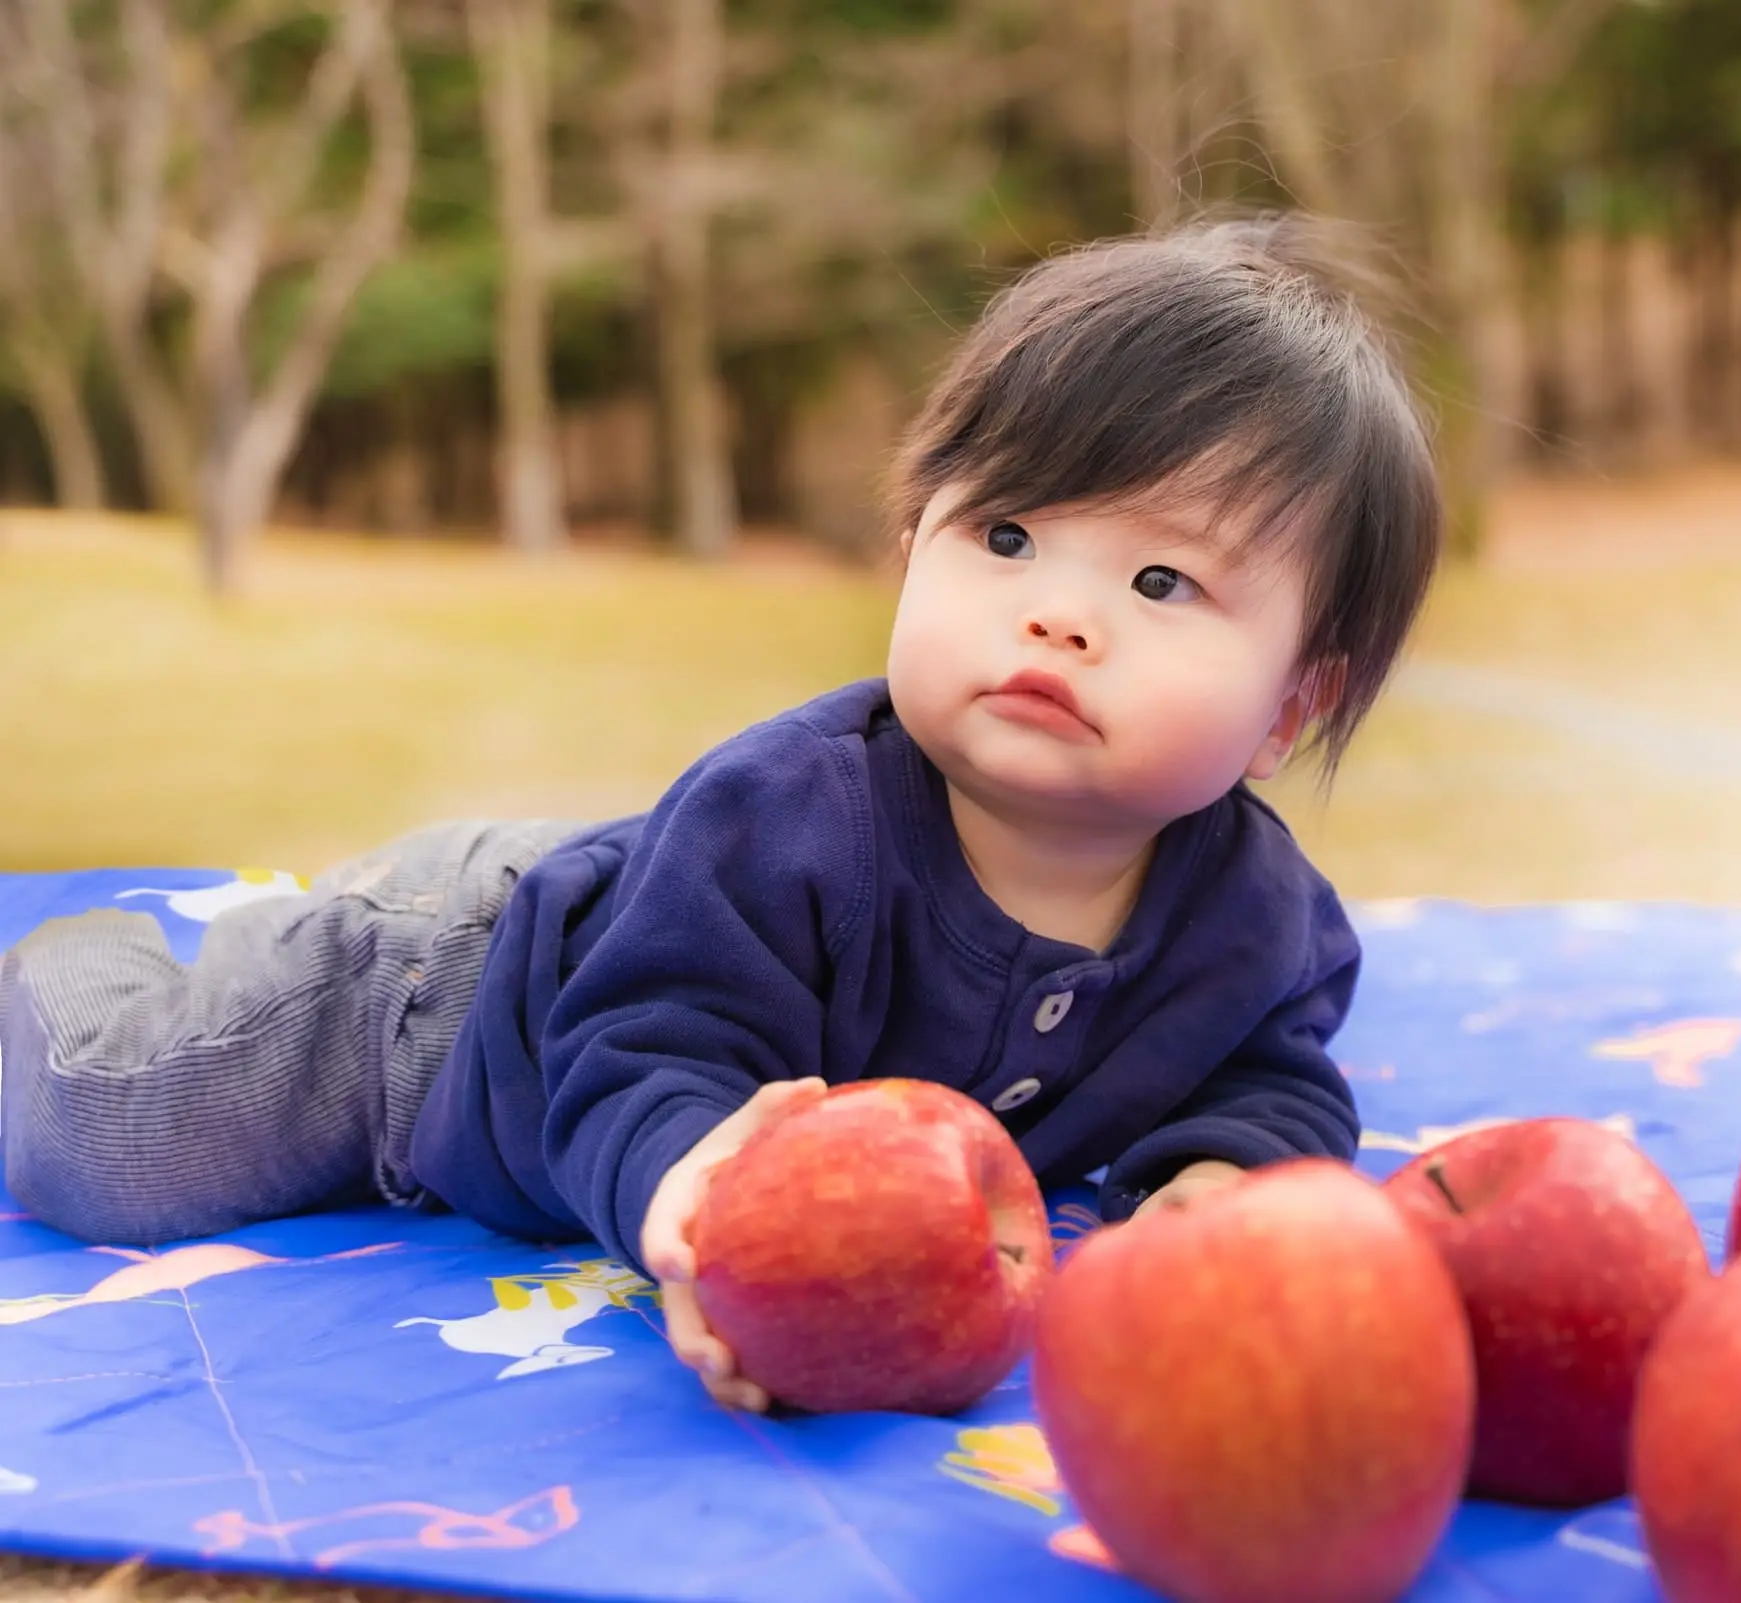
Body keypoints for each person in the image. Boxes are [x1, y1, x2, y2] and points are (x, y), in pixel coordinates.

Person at [0, 213, 1443, 1411]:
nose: (1059, 614)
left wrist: (1220, 1181)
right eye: (1007, 535)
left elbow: (1273, 1078)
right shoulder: (789, 817)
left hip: (598, 932)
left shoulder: (1257, 924)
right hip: (441, 1002)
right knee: (113, 1136)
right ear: (912, 546)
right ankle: (79, 959)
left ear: (1291, 707)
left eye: (1161, 581)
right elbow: (645, 1044)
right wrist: (706, 1205)